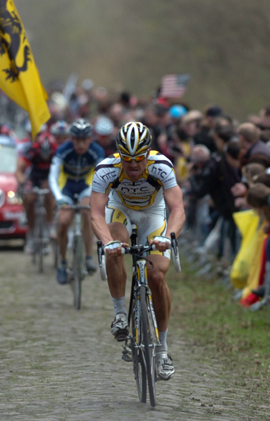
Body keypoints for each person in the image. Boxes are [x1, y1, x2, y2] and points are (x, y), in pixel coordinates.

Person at [90, 122, 185, 381]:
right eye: (127, 159)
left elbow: (177, 208)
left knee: (156, 277)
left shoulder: (162, 167)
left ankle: (162, 351)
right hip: (119, 209)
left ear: (148, 153)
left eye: (139, 159)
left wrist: (168, 237)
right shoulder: (106, 169)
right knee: (114, 246)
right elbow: (96, 213)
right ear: (119, 154)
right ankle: (120, 314)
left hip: (152, 214)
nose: (133, 166)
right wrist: (107, 241)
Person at [49, 119, 105, 284]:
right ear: (71, 139)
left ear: (90, 139)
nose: (80, 144)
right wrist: (59, 198)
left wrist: (98, 197)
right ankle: (62, 262)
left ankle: (88, 257)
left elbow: (102, 175)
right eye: (77, 140)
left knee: (88, 213)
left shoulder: (97, 151)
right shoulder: (63, 150)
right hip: (66, 186)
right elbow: (52, 176)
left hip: (85, 185)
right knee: (64, 221)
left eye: (84, 140)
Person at [17, 131, 58, 253]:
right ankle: (31, 230)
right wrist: (23, 182)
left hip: (49, 176)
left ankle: (50, 226)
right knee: (29, 199)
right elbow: (19, 170)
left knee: (49, 192)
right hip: (34, 176)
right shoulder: (32, 150)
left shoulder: (56, 151)